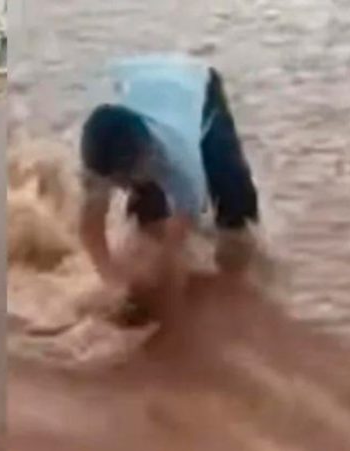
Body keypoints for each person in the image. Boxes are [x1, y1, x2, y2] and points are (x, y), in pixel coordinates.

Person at [79, 54, 260, 304]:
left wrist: (160, 273)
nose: (120, 187)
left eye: (127, 178)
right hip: (139, 77)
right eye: (116, 180)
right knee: (148, 215)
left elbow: (176, 239)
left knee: (234, 202)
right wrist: (111, 279)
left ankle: (236, 283)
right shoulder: (98, 156)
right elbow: (90, 226)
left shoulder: (182, 163)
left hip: (197, 83)